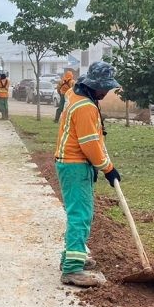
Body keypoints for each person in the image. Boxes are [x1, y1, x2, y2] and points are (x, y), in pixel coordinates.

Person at [54, 61, 121, 288]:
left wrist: (105, 163)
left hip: (72, 163)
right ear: (96, 85)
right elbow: (90, 144)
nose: (106, 91)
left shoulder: (76, 93)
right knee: (80, 215)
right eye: (105, 87)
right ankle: (72, 270)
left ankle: (72, 257)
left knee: (80, 213)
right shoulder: (85, 107)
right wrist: (108, 169)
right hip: (75, 165)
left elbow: (94, 138)